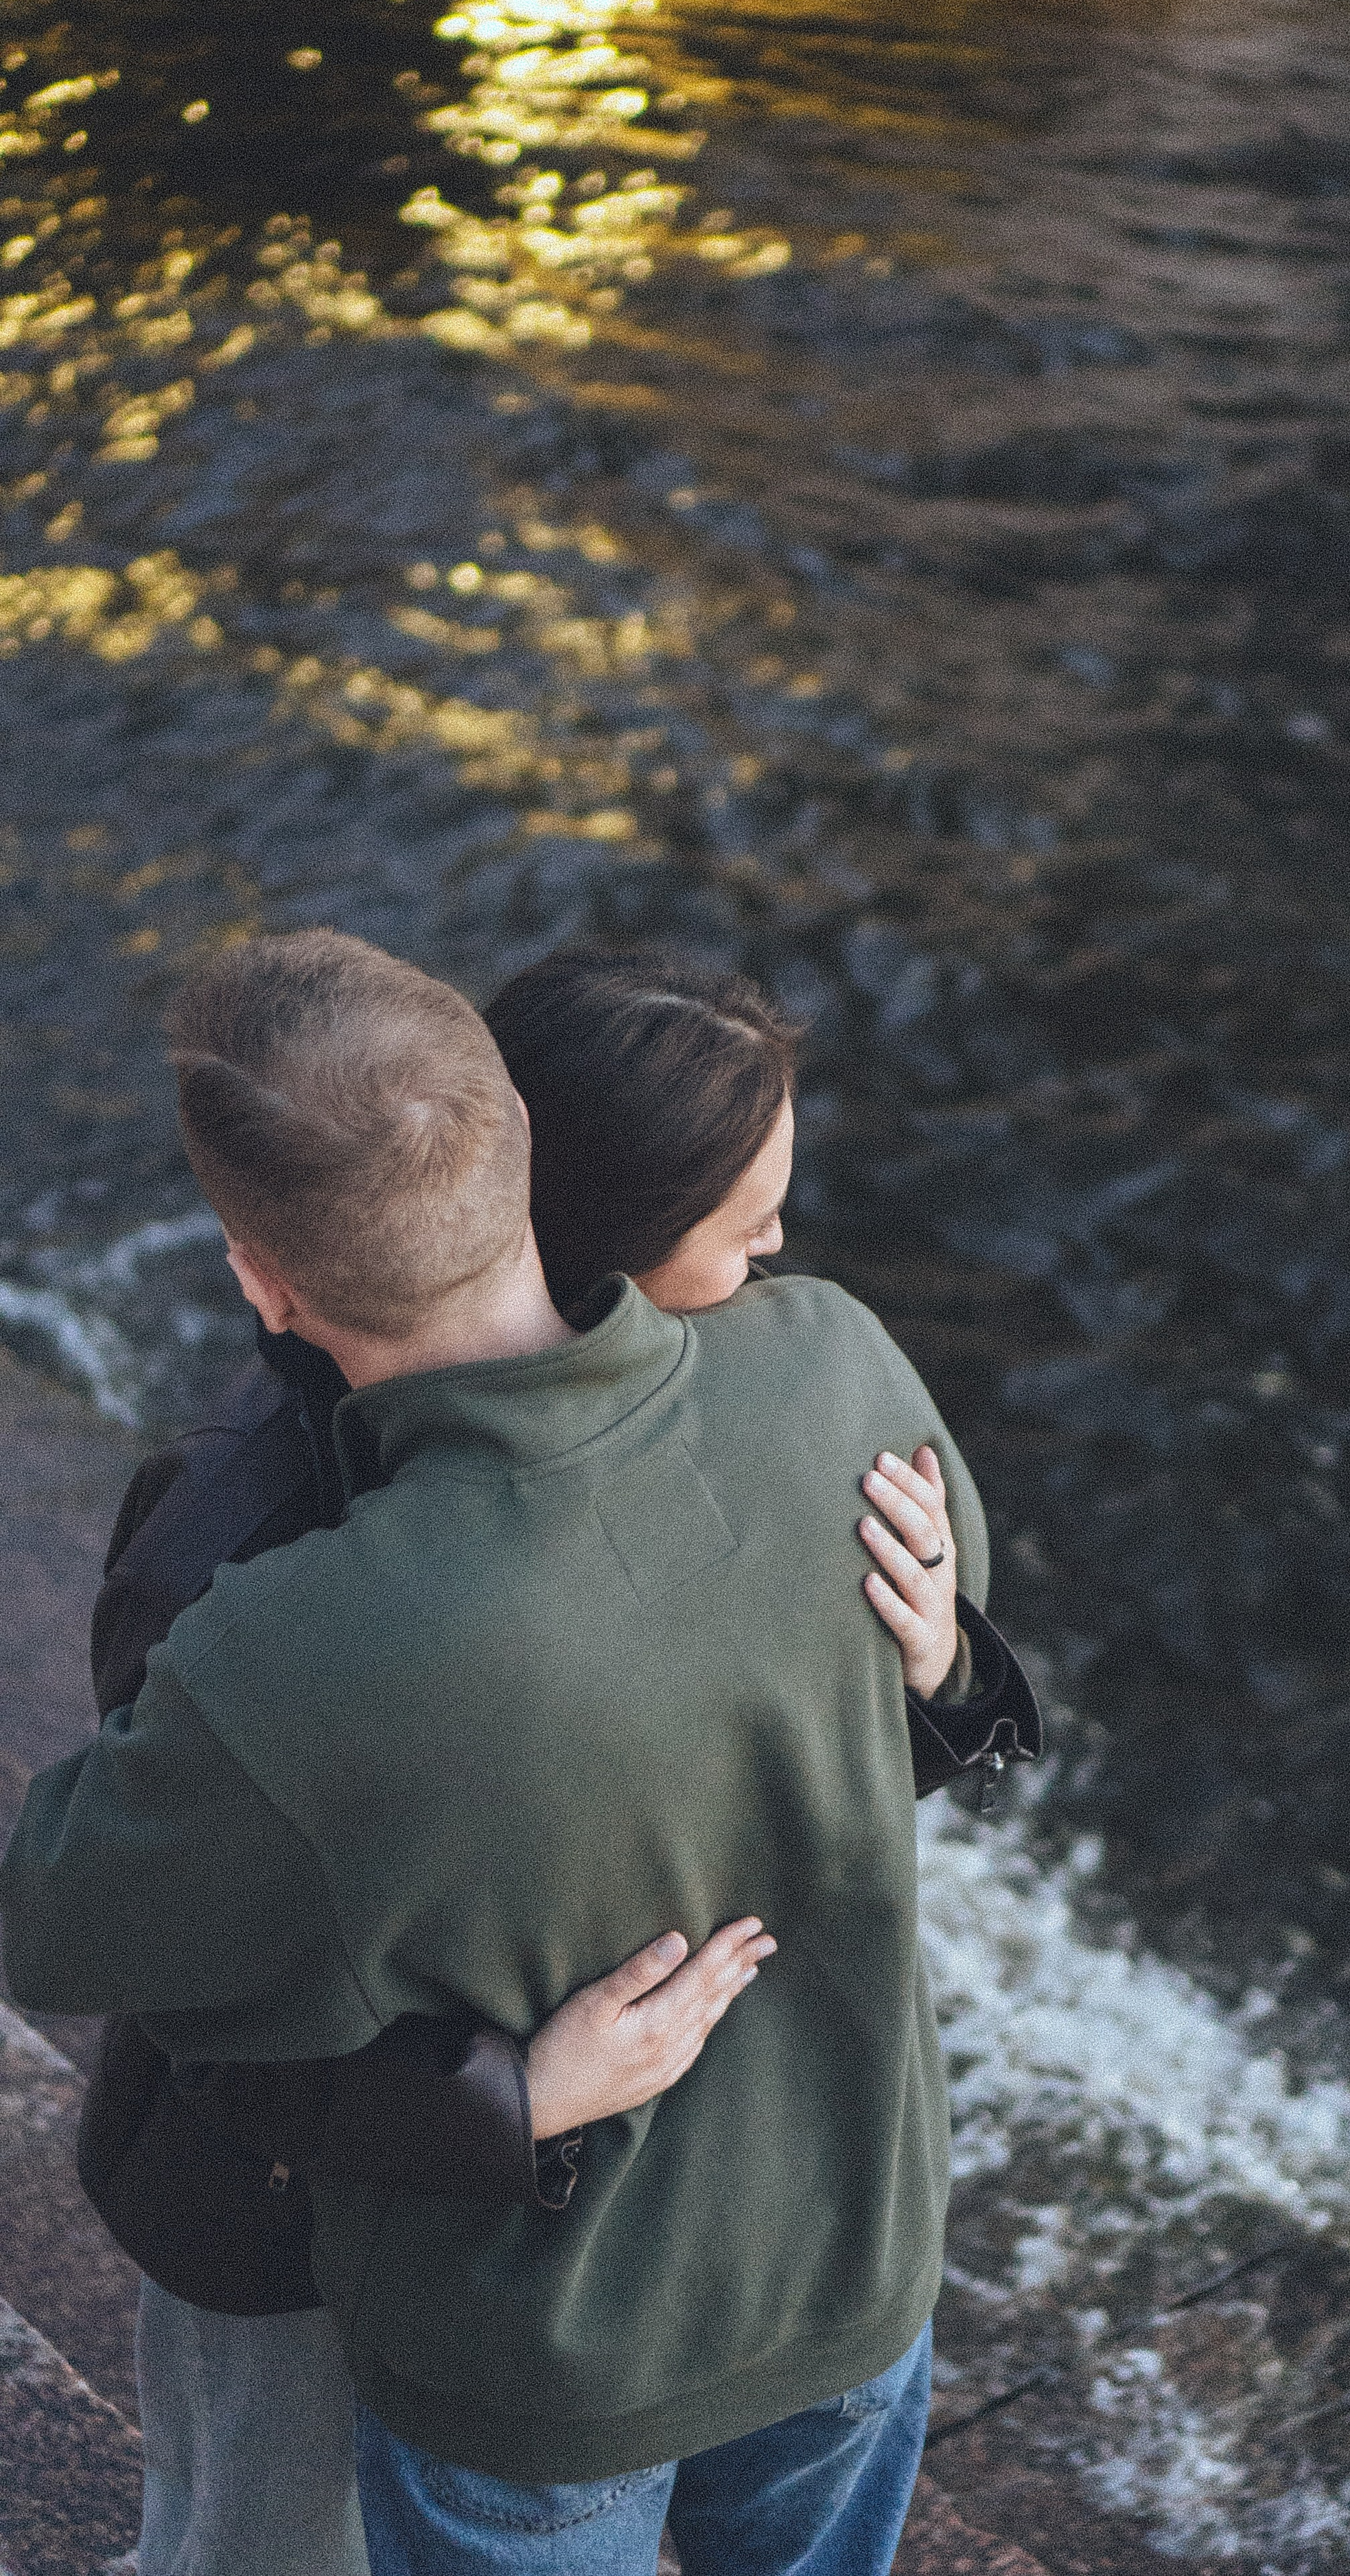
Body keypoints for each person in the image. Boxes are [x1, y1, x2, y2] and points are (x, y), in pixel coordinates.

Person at [0, 931, 1021, 2575]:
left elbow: (65, 1931)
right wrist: (943, 1664)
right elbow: (859, 1696)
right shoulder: (835, 1362)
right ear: (527, 1151)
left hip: (546, 2354)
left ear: (262, 1279)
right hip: (849, 2257)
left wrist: (510, 2094)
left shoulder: (281, 1640)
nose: (771, 1244)